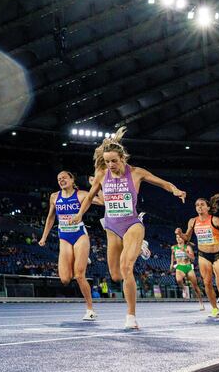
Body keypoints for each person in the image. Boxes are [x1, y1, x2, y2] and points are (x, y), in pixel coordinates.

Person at [72, 127, 186, 329]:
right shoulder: (101, 175)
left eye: (114, 161)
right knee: (116, 275)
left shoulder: (136, 173)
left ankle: (131, 317)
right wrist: (80, 214)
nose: (110, 165)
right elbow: (89, 198)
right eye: (107, 161)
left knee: (126, 268)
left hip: (132, 224)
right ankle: (141, 246)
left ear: (122, 158)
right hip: (111, 227)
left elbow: (162, 183)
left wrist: (175, 190)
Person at [40, 171, 104, 321]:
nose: (61, 180)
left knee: (79, 275)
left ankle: (90, 310)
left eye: (64, 178)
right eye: (58, 179)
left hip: (79, 235)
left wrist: (96, 185)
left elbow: (102, 202)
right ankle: (81, 257)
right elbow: (50, 218)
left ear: (72, 179)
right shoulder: (54, 197)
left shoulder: (81, 194)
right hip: (64, 237)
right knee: (65, 279)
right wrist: (44, 237)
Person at [176, 194, 219, 318]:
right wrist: (181, 233)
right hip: (203, 255)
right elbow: (187, 238)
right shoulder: (193, 221)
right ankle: (214, 309)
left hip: (218, 255)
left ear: (207, 207)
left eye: (202, 205)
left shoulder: (215, 220)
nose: (199, 207)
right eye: (197, 205)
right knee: (207, 283)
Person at [169, 233, 204, 310]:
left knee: (195, 287)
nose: (178, 239)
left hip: (188, 267)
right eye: (177, 237)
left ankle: (201, 302)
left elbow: (193, 258)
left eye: (180, 237)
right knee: (178, 280)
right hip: (179, 266)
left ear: (183, 239)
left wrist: (185, 252)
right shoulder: (173, 247)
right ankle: (184, 289)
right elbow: (172, 255)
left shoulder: (188, 247)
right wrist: (172, 263)